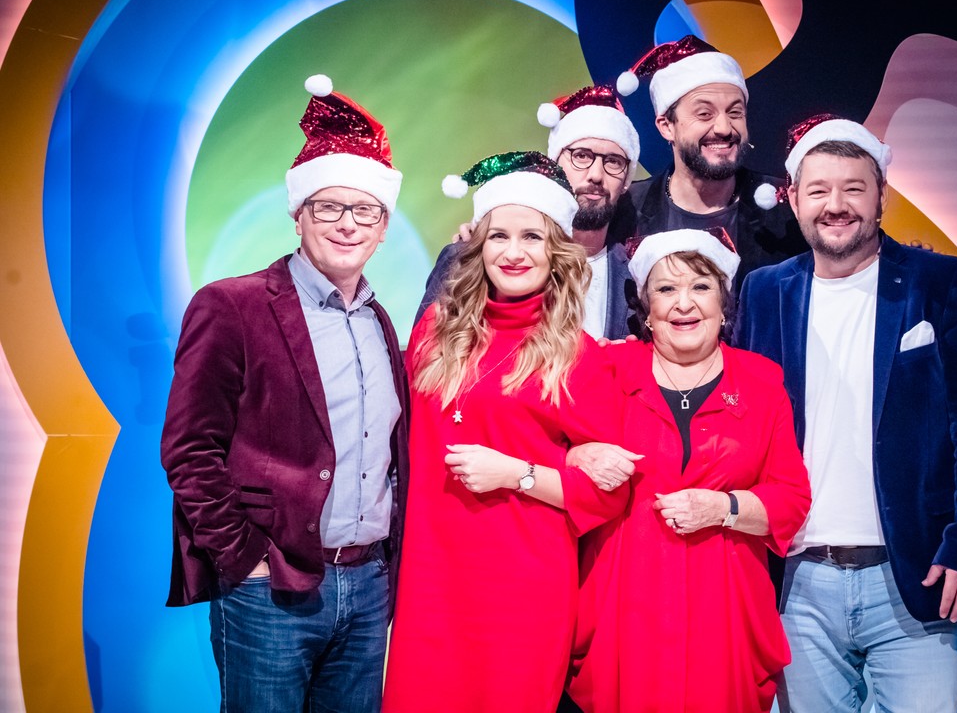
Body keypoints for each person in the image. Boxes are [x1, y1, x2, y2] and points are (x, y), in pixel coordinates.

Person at [733, 116, 957, 712]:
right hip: (795, 582)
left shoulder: (940, 281)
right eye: (819, 190)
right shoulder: (763, 290)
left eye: (854, 188)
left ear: (881, 195)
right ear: (794, 200)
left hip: (915, 574)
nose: (836, 205)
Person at [160, 75, 408, 712]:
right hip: (271, 587)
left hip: (369, 584)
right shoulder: (232, 306)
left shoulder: (380, 322)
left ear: (383, 227)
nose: (348, 224)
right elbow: (189, 449)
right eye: (328, 208)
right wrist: (244, 559)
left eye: (366, 211)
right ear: (298, 215)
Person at [382, 151, 635, 713]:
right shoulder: (433, 333)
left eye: (532, 237)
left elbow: (608, 496)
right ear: (477, 245)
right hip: (431, 582)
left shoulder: (578, 356)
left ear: (556, 251)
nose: (513, 252)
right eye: (499, 235)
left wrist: (517, 474)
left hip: (523, 590)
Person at [565, 228, 811, 713]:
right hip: (622, 610)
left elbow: (791, 498)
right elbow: (546, 444)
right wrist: (576, 456)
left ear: (723, 304)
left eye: (701, 286)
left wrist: (725, 507)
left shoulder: (762, 383)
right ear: (646, 308)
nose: (684, 304)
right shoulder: (605, 370)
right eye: (666, 288)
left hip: (723, 613)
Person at [415, 83, 640, 340]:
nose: (596, 174)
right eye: (581, 156)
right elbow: (424, 353)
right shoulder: (469, 259)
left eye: (614, 162)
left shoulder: (636, 273)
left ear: (626, 180)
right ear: (555, 164)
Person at [616, 34, 809, 298]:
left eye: (735, 112)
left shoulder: (788, 210)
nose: (724, 128)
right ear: (667, 126)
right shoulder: (627, 212)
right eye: (704, 114)